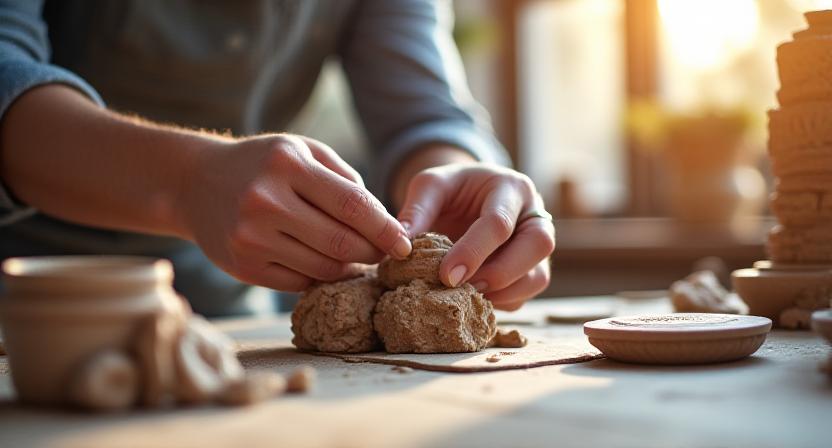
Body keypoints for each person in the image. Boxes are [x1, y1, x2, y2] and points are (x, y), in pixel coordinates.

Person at [0, 0, 554, 316]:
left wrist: (459, 171)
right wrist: (187, 182)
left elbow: (426, 114)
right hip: (24, 309)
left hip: (229, 317)